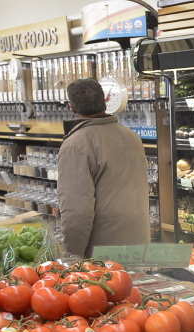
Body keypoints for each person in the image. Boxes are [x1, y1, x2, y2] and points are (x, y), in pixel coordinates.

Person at [57, 78, 150, 258]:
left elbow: (77, 210)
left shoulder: (76, 144)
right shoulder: (132, 136)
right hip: (139, 243)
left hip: (103, 254)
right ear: (105, 102)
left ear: (72, 107)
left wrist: (72, 254)